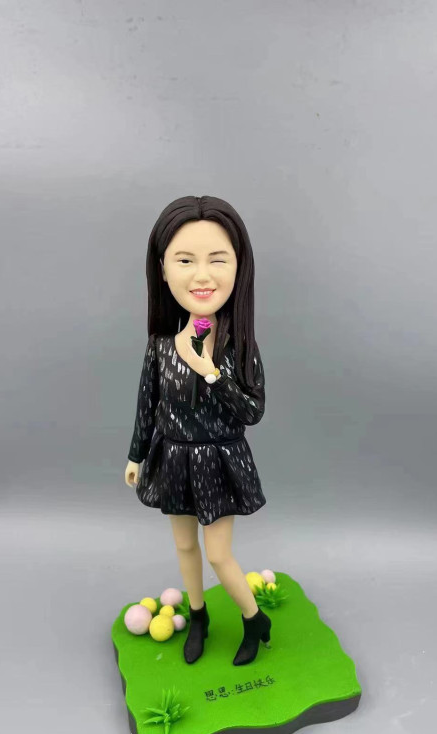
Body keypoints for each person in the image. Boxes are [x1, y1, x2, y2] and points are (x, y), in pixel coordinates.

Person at [124, 195, 271, 667]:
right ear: (163, 270)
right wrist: (136, 454)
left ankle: (254, 619)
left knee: (219, 555)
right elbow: (147, 404)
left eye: (217, 259)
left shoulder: (239, 347)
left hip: (218, 459)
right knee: (184, 544)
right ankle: (199, 615)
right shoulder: (161, 346)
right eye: (185, 260)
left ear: (239, 268)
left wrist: (209, 370)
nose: (202, 276)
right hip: (173, 457)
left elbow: (252, 411)